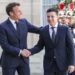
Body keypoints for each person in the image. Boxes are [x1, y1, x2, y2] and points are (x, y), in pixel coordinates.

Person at [24, 8, 75, 75]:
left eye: (52, 16)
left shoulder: (65, 29)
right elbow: (39, 46)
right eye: (48, 16)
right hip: (48, 65)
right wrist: (30, 51)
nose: (50, 18)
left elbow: (71, 47)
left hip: (62, 64)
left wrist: (72, 63)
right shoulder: (43, 31)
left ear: (57, 17)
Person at [0, 2, 40, 75]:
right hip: (9, 61)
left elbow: (38, 30)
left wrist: (53, 28)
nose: (21, 12)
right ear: (11, 13)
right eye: (18, 11)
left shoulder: (24, 22)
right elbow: (4, 45)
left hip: (23, 61)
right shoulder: (2, 26)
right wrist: (20, 52)